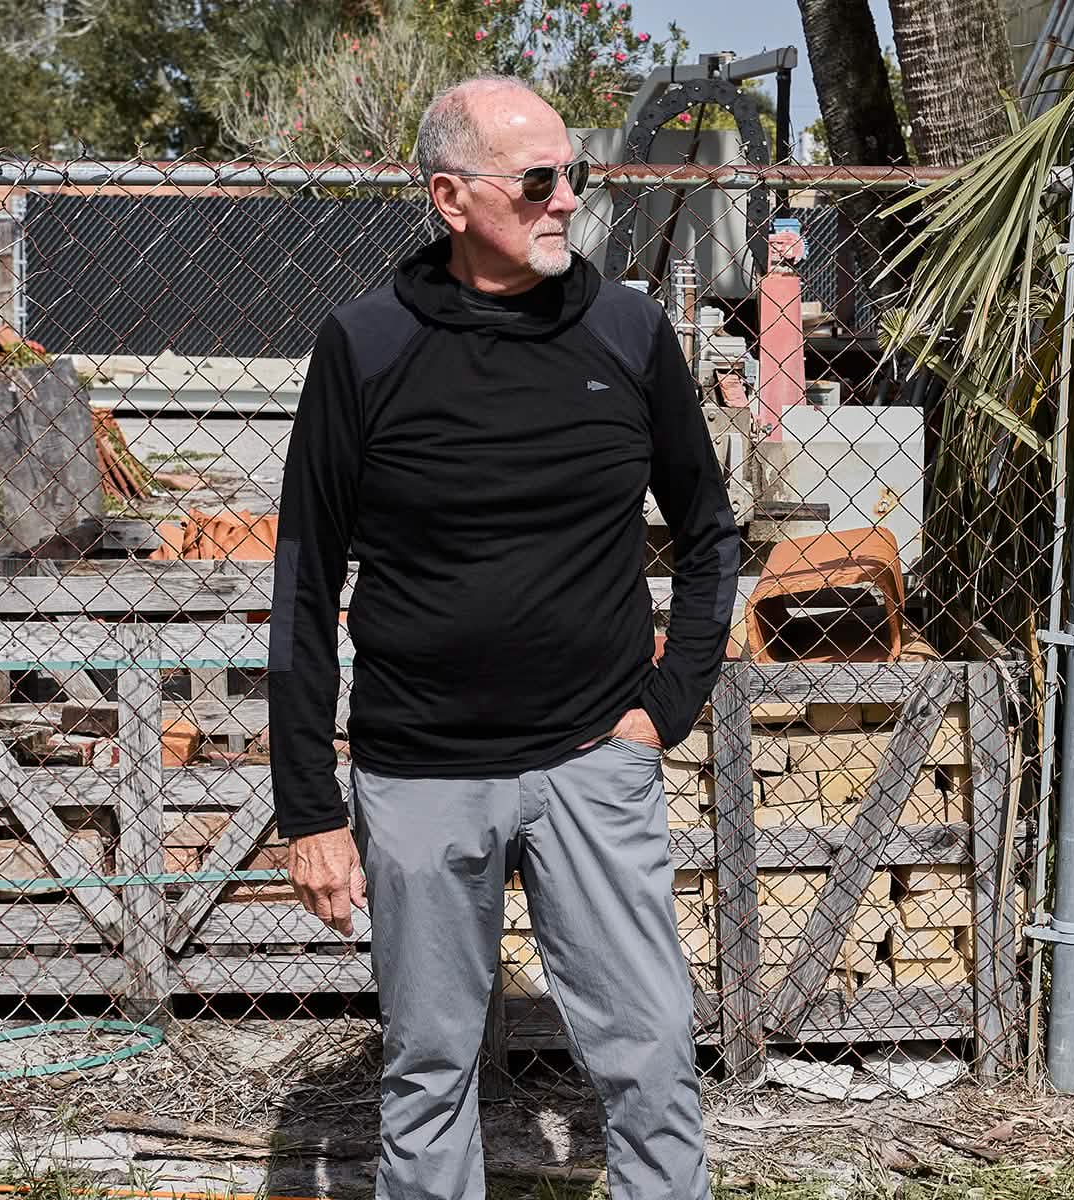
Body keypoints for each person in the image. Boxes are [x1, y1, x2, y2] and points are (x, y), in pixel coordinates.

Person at [268, 74, 739, 1200]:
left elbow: (710, 532)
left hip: (593, 762)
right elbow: (304, 582)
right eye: (537, 180)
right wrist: (310, 808)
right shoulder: (367, 347)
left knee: (652, 1055)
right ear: (450, 197)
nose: (566, 199)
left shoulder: (628, 332)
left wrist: (665, 707)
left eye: (574, 174)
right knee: (429, 1069)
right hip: (422, 776)